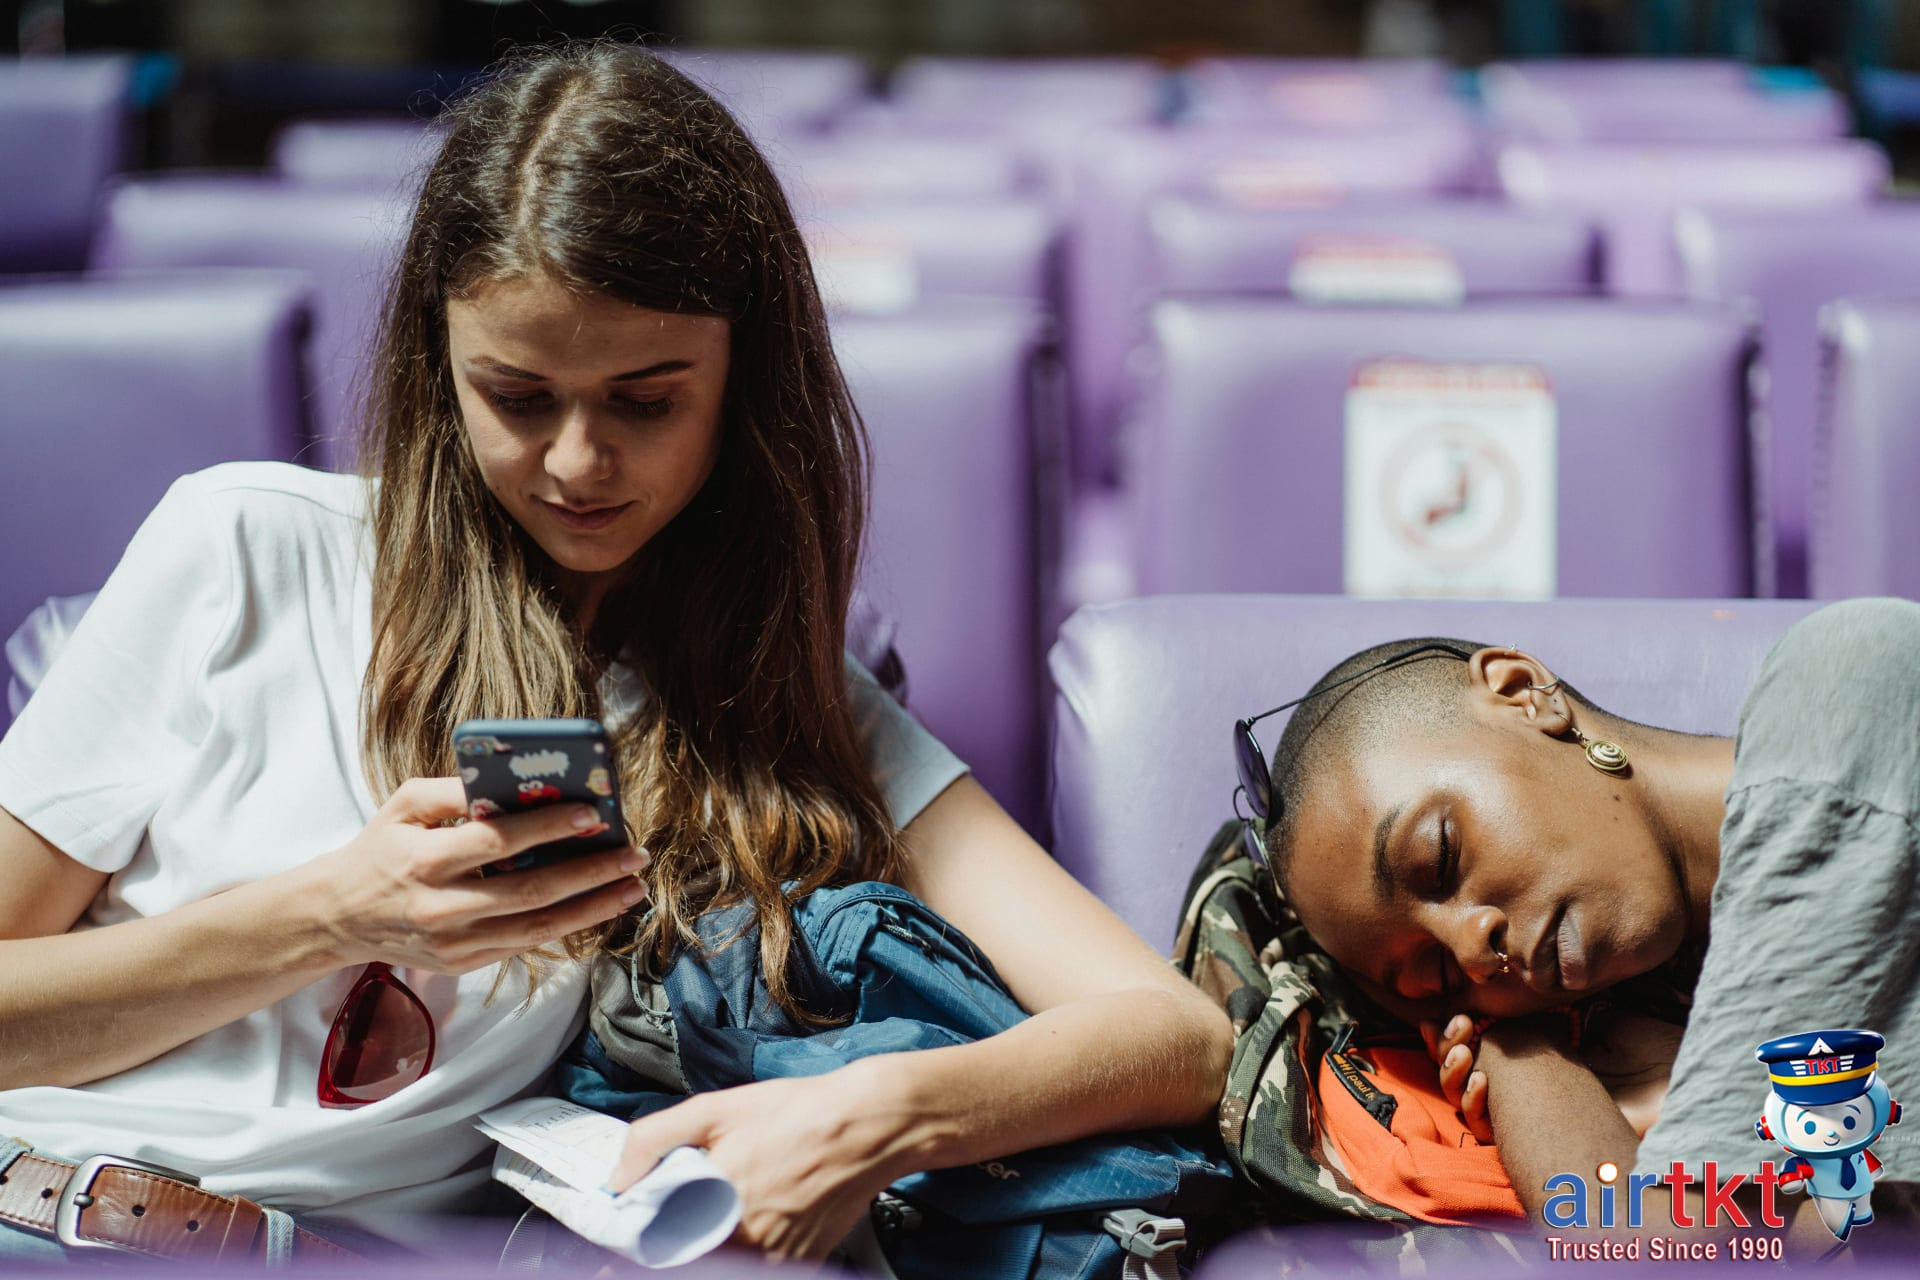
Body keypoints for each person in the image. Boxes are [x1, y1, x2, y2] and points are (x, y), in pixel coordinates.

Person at [0, 41, 1231, 1266]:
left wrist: (881, 1111)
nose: (580, 465)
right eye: (519, 397)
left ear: (741, 391)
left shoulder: (764, 703)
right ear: (444, 371)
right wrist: (331, 913)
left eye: (646, 402)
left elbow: (1174, 1030)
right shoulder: (243, 546)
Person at [1247, 598, 1920, 1247]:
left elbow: (1653, 1250)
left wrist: (1517, 1056)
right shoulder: (1683, 998)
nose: (1472, 951)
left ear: (1523, 693)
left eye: (1441, 854)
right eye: (1438, 975)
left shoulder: (1853, 689)